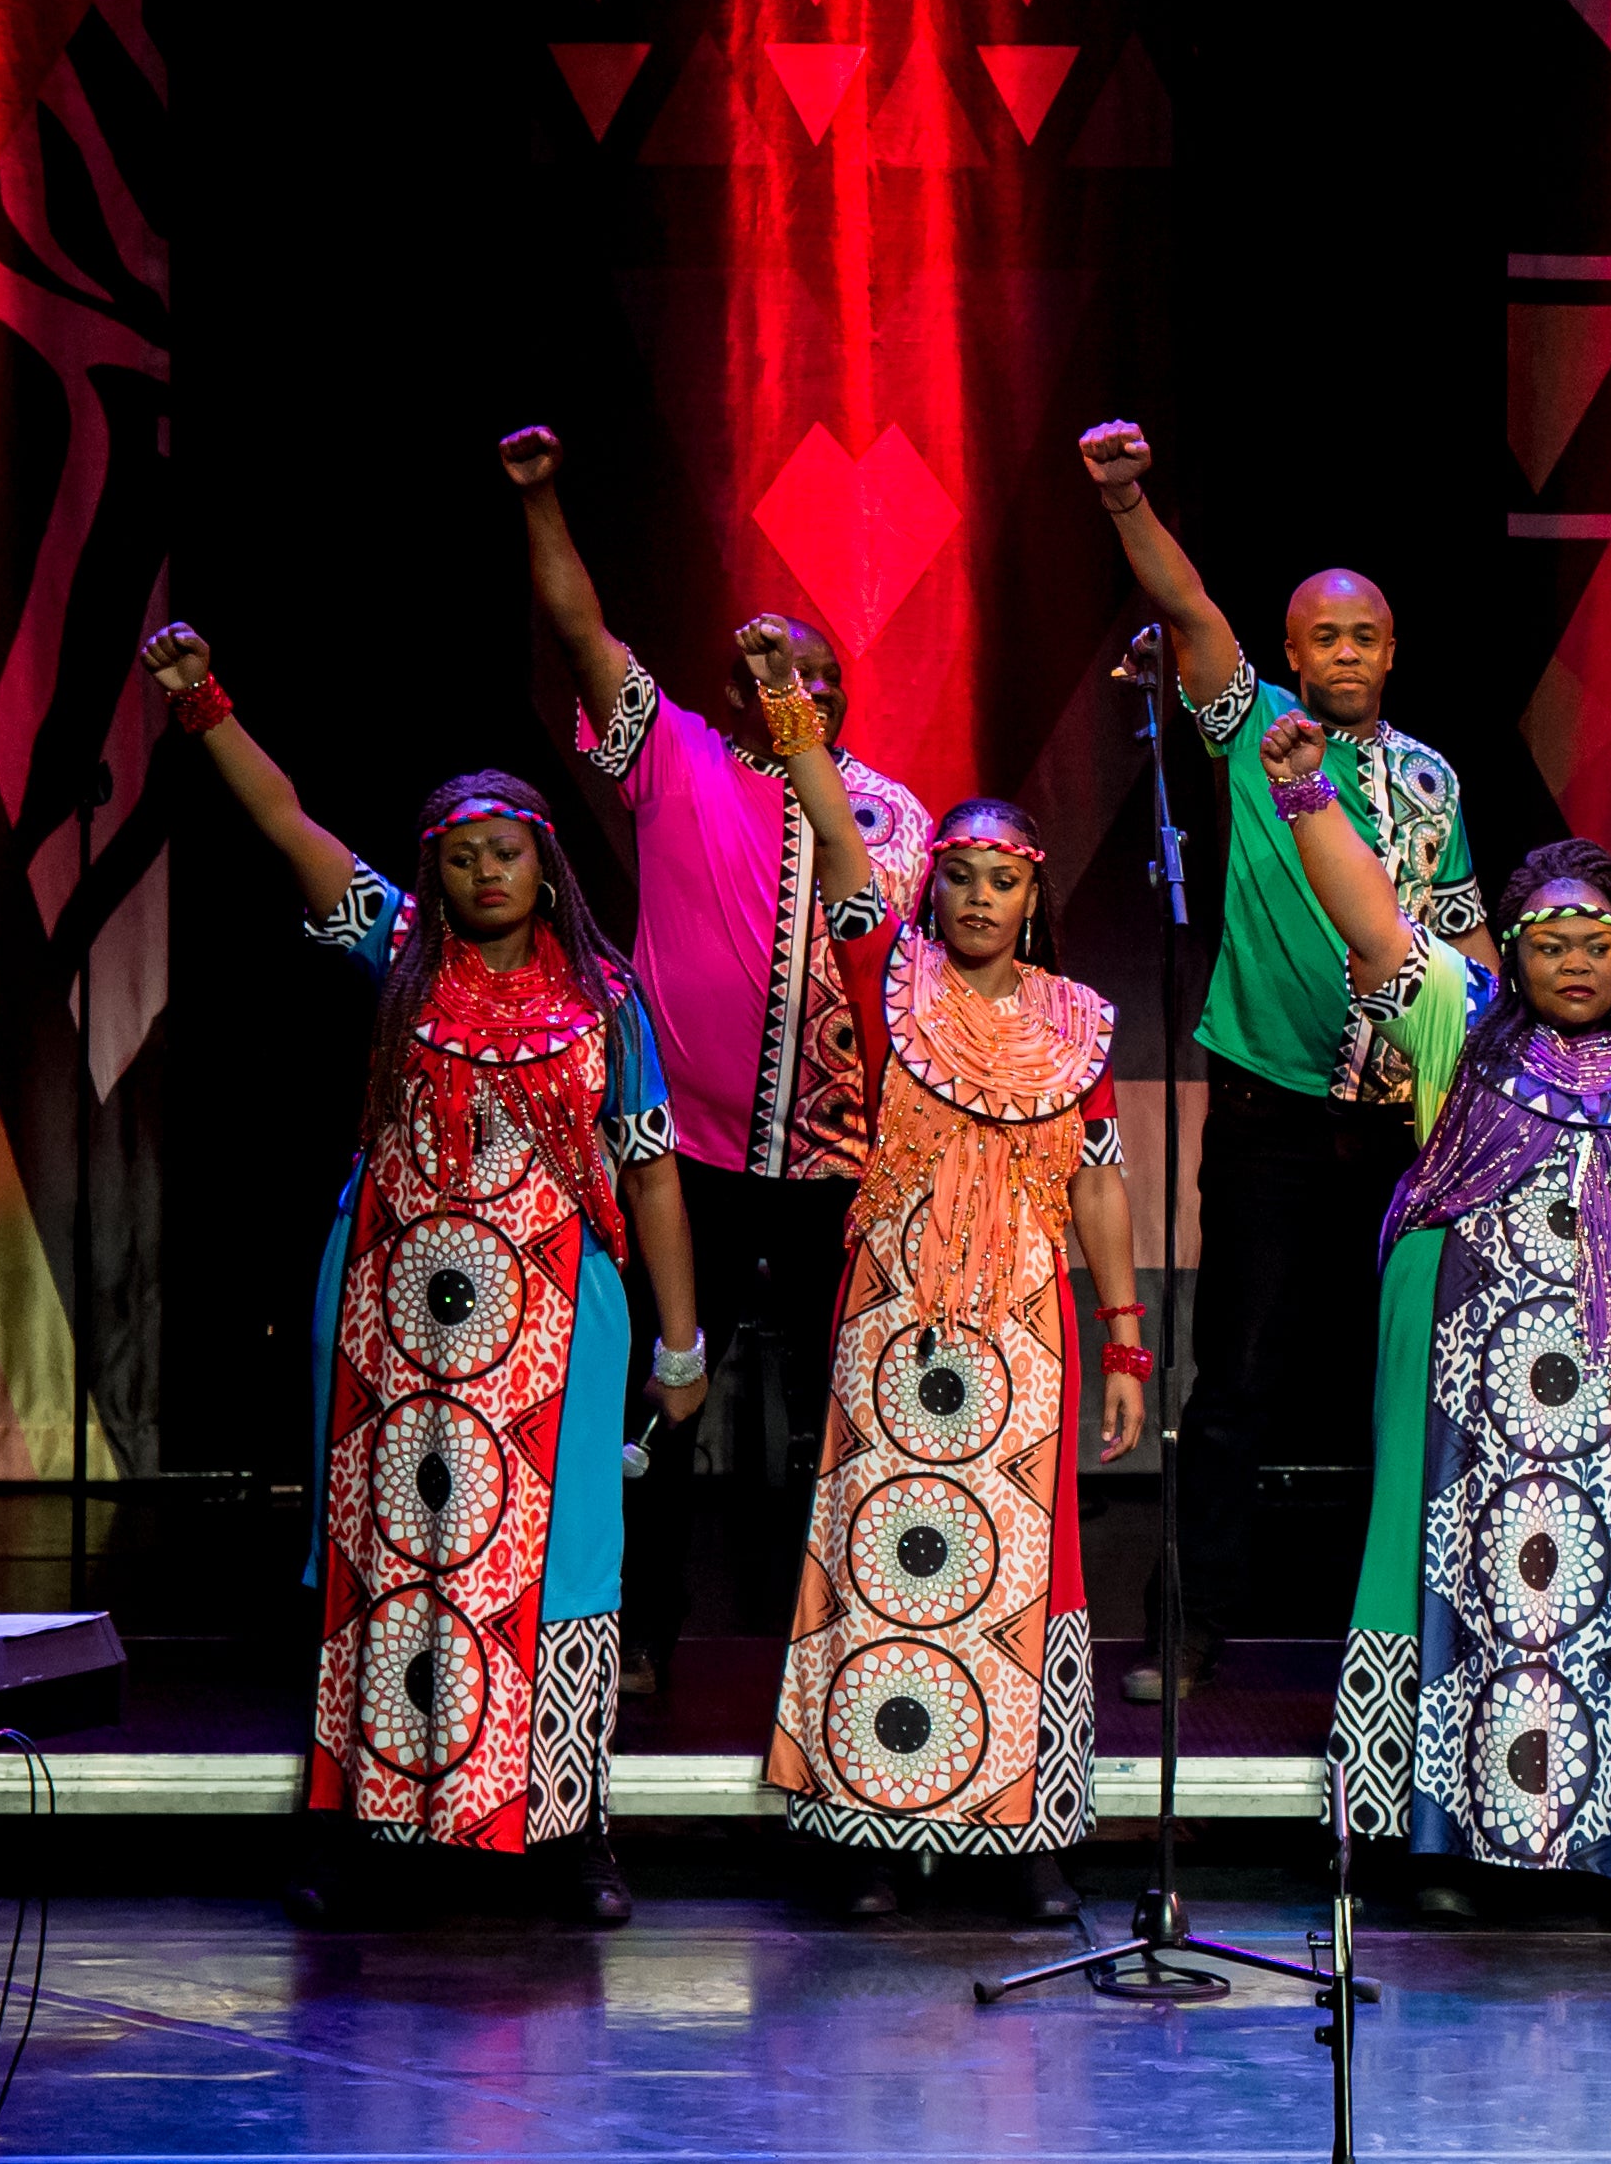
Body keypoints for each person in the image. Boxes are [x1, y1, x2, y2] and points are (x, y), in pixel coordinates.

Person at [141, 623, 702, 1927]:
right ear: (432, 870)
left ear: (543, 859)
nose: (484, 869)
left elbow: (656, 1170)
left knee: (558, 1566)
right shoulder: (396, 953)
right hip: (398, 1305)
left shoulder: (604, 997)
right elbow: (284, 818)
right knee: (391, 1554)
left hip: (567, 1317)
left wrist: (682, 1338)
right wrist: (202, 702)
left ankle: (571, 1832)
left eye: (504, 849)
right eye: (459, 854)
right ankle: (352, 1823)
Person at [1268, 721, 1611, 1927]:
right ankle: (1447, 1842)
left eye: (1596, 941)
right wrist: (1304, 791)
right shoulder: (1456, 1025)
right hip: (1477, 1394)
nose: (1574, 962)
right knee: (1469, 1584)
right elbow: (1371, 920)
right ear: (1509, 952)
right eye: (1550, 942)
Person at [505, 426, 931, 1701]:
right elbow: (583, 632)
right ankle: (639, 1637)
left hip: (834, 1155)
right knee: (658, 1404)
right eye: (776, 673)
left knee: (836, 1417)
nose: (803, 690)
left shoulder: (893, 812)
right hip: (680, 1155)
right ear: (735, 691)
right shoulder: (672, 752)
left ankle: (834, 1647)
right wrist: (543, 501)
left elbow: (890, 962)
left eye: (823, 675)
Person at [731, 621, 1145, 1919]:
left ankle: (1017, 1835)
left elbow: (1100, 1175)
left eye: (999, 879)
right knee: (881, 1555)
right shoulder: (889, 976)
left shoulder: (1080, 1023)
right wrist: (790, 713)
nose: (974, 896)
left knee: (1021, 1568)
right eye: (956, 874)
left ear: (1035, 895)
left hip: (1027, 1321)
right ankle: (864, 1831)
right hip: (897, 1317)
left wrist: (1127, 1336)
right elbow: (839, 845)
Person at [1083, 418, 1485, 1700]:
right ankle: (1189, 1621)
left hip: (1407, 1123)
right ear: (1295, 650)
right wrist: (1129, 499)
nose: (1347, 654)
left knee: (1410, 1379)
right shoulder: (1249, 725)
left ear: (1390, 652)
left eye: (1367, 636)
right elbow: (1187, 604)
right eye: (1325, 636)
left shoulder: (1431, 775)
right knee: (1239, 1379)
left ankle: (1413, 1631)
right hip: (1270, 1114)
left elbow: (1465, 928)